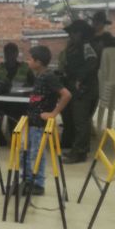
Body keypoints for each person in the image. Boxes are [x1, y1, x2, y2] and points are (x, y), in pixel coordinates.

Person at [20, 46, 72, 197]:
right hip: (32, 121)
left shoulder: (49, 77)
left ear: (38, 62)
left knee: (36, 154)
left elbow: (66, 95)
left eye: (30, 59)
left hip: (39, 124)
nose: (27, 61)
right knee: (26, 152)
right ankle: (28, 180)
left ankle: (38, 184)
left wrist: (54, 113)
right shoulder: (39, 76)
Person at [59, 20, 99, 165]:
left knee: (81, 122)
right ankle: (77, 149)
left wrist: (80, 79)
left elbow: (92, 62)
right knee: (76, 121)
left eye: (73, 33)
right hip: (77, 89)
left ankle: (79, 153)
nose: (70, 36)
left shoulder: (87, 46)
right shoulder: (75, 46)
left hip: (84, 90)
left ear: (80, 33)